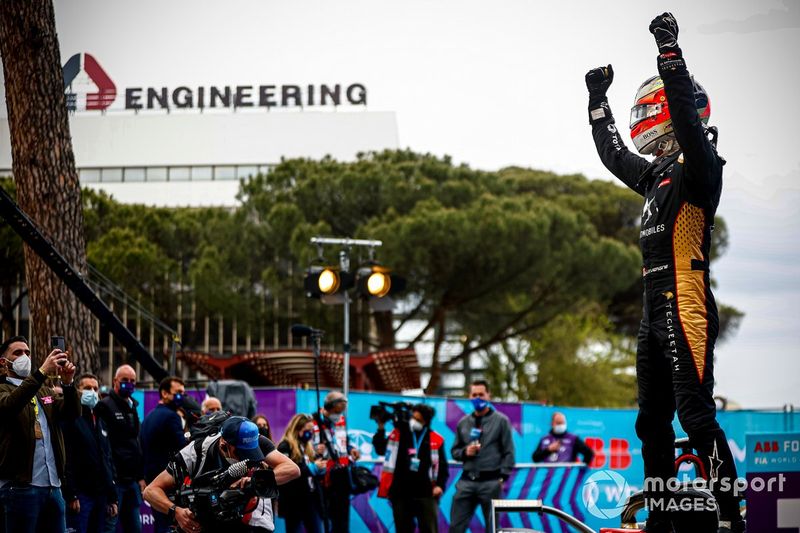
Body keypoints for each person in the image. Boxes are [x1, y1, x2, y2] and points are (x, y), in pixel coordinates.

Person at [585, 13, 743, 533]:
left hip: (687, 299)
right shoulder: (654, 175)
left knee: (695, 416)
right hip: (653, 308)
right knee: (651, 424)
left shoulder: (702, 165)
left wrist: (669, 51)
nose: (645, 120)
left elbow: (687, 121)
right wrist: (597, 102)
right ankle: (662, 519)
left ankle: (730, 518)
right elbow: (613, 155)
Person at [143, 416, 300, 533]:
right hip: (210, 520)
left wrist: (253, 482)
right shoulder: (195, 452)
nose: (248, 458)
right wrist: (177, 511)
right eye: (242, 453)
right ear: (224, 445)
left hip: (252, 519)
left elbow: (292, 469)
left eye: (252, 453)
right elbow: (150, 491)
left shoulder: (254, 440)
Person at [0, 335, 80, 533]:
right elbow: (10, 406)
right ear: (3, 362)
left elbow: (72, 413)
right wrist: (42, 372)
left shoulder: (43, 391)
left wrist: (68, 384)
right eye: (17, 353)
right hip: (20, 488)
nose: (24, 357)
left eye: (27, 352)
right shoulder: (3, 389)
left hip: (53, 487)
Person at [449, 380, 514, 533]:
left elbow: (509, 452)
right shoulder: (463, 422)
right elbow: (454, 451)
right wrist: (465, 452)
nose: (478, 398)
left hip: (491, 482)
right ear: (469, 397)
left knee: (493, 528)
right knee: (456, 526)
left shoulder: (501, 421)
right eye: (474, 395)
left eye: (481, 394)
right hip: (467, 481)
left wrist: (502, 478)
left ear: (488, 395)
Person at [374, 404, 448, 533]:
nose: (414, 421)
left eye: (418, 420)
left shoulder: (435, 438)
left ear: (426, 421)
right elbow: (380, 449)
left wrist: (440, 486)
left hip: (426, 492)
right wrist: (381, 427)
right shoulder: (399, 432)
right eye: (412, 418)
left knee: (429, 529)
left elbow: (442, 466)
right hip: (400, 492)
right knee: (403, 529)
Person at [62, 373, 118, 533]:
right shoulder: (71, 418)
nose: (92, 392)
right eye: (87, 388)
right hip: (81, 495)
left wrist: (112, 496)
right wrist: (71, 494)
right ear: (77, 390)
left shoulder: (100, 420)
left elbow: (107, 458)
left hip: (101, 496)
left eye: (95, 388)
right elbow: (66, 458)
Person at [94, 364, 145, 533]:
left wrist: (140, 477)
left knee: (135, 528)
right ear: (115, 381)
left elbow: (135, 444)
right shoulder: (105, 406)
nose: (129, 384)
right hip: (115, 482)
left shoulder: (133, 406)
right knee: (109, 527)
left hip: (132, 481)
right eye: (125, 380)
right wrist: (111, 481)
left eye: (132, 381)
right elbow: (104, 448)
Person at [139, 376, 187, 533]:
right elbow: (184, 450)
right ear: (165, 393)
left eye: (183, 393)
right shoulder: (172, 416)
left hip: (152, 482)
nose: (181, 396)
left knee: (160, 525)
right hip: (168, 482)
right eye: (177, 392)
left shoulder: (149, 417)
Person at [313, 391, 360, 533]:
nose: (339, 415)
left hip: (342, 476)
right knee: (326, 519)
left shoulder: (341, 420)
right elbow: (306, 447)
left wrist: (351, 449)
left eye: (342, 411)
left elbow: (343, 441)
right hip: (324, 478)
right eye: (337, 411)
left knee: (342, 519)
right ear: (329, 406)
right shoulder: (314, 422)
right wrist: (315, 450)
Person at [277, 414, 325, 533]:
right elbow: (287, 473)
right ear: (298, 429)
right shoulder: (285, 446)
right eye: (307, 430)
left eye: (312, 430)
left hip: (311, 499)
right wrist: (311, 468)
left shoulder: (307, 447)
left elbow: (314, 475)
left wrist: (320, 469)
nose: (310, 433)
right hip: (294, 501)